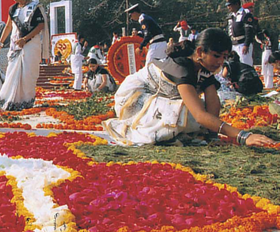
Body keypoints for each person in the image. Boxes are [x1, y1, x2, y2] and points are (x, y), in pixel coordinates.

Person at [103, 28, 274, 147]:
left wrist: (212, 136)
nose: (221, 62)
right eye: (216, 56)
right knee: (187, 113)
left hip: (162, 97)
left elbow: (212, 106)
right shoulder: (183, 69)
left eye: (224, 56)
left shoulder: (205, 70)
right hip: (135, 98)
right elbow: (200, 116)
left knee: (196, 114)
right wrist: (243, 136)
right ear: (200, 52)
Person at [0, 0, 50, 111]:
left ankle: (26, 101)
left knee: (28, 73)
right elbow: (8, 27)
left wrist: (25, 39)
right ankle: (11, 100)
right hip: (15, 46)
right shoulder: (13, 9)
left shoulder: (35, 7)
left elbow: (40, 26)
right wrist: (0, 43)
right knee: (11, 72)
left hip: (31, 45)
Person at [225, 0, 255, 66]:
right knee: (234, 65)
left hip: (243, 43)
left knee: (245, 64)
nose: (228, 7)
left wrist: (246, 44)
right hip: (234, 44)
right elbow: (229, 31)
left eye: (230, 5)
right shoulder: (231, 16)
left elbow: (249, 31)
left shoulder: (245, 14)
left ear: (237, 4)